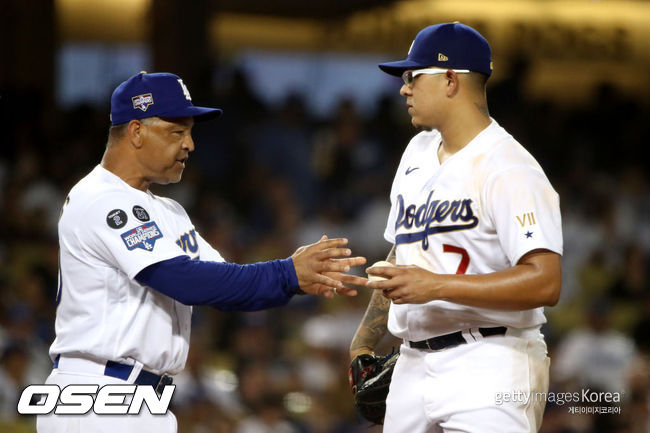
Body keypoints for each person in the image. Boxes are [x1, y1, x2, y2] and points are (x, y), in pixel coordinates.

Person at [37, 71, 367, 433]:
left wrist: (300, 281)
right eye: (177, 132)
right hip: (97, 394)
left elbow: (226, 285)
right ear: (135, 132)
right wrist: (287, 272)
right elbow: (183, 280)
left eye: (190, 132)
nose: (190, 145)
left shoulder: (169, 211)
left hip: (146, 398)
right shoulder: (100, 197)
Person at [349, 23, 563, 433]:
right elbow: (403, 256)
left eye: (413, 77)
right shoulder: (417, 151)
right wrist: (362, 341)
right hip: (412, 360)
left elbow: (545, 282)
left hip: (492, 359)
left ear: (450, 80)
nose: (403, 88)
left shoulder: (509, 167)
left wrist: (436, 285)